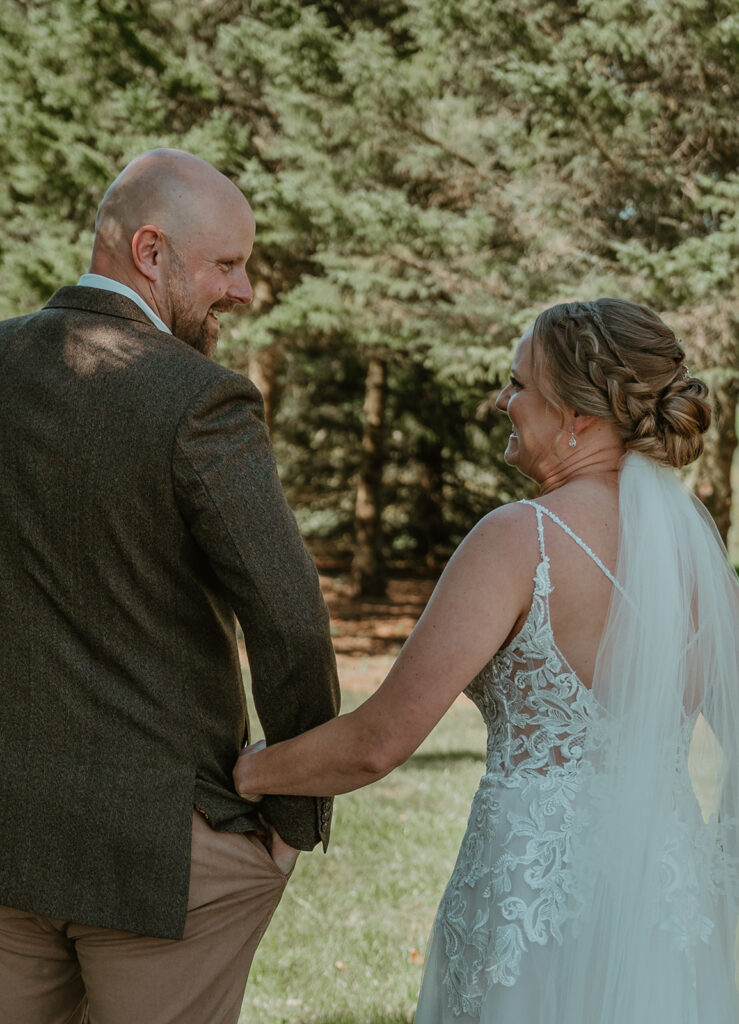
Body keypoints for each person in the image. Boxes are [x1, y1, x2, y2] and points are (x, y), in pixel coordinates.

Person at [234, 298, 739, 1023]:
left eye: (518, 385)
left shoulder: (519, 539)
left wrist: (249, 771)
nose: (500, 400)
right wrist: (706, 875)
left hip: (529, 907)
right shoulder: (701, 565)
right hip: (664, 907)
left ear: (577, 417)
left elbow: (378, 742)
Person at [0, 149, 339, 1024]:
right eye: (227, 265)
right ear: (150, 253)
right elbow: (290, 621)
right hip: (160, 850)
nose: (244, 290)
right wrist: (292, 809)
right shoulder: (202, 399)